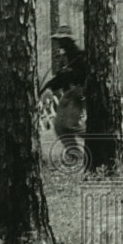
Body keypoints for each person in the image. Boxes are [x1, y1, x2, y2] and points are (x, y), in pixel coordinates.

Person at [42, 24, 86, 156]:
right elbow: (61, 78)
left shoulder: (79, 55)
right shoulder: (64, 58)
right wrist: (48, 88)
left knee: (70, 125)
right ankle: (74, 154)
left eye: (62, 40)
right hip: (68, 94)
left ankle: (101, 140)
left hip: (79, 94)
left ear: (69, 40)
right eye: (58, 40)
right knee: (59, 127)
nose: (59, 43)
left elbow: (80, 75)